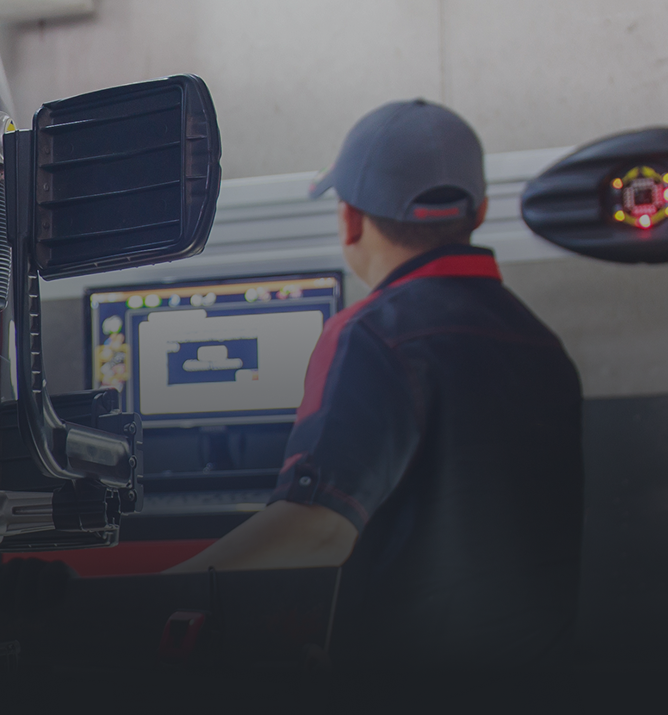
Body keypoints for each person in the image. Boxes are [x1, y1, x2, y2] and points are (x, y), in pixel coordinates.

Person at [164, 99, 584, 669]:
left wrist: (157, 594)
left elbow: (314, 533)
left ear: (350, 219)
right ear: (480, 210)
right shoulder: (543, 346)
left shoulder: (371, 335)